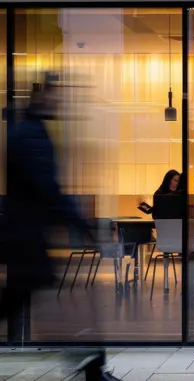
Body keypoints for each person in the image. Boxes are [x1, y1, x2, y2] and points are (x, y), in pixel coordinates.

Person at [0, 72, 120, 380]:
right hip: (27, 238)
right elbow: (47, 187)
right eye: (57, 94)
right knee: (54, 303)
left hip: (25, 235)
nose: (61, 101)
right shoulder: (32, 134)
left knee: (29, 300)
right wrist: (81, 223)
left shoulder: (27, 131)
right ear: (43, 95)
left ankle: (90, 363)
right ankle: (91, 364)